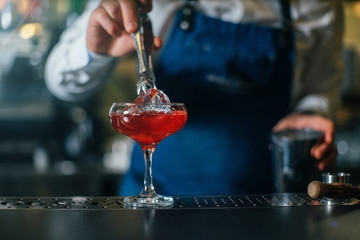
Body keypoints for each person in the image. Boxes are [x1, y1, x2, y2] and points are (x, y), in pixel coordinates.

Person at [45, 0, 343, 195]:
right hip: (153, 203)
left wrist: (310, 114)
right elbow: (61, 83)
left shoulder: (317, 6)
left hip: (262, 205)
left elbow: (322, 86)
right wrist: (94, 53)